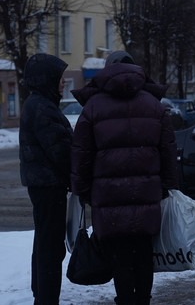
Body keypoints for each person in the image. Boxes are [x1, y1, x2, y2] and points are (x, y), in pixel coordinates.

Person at [70, 50, 179, 305]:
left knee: (119, 257)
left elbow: (81, 154)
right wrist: (167, 187)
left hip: (108, 199)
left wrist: (83, 190)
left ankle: (125, 301)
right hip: (147, 195)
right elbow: (168, 151)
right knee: (143, 255)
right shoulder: (154, 105)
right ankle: (142, 300)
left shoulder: (93, 107)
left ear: (107, 70)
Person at [19, 53, 73, 305]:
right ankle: (46, 298)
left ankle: (42, 296)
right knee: (50, 248)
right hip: (48, 185)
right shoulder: (42, 107)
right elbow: (60, 151)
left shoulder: (40, 103)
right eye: (59, 77)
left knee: (44, 243)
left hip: (44, 184)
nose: (63, 81)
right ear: (47, 79)